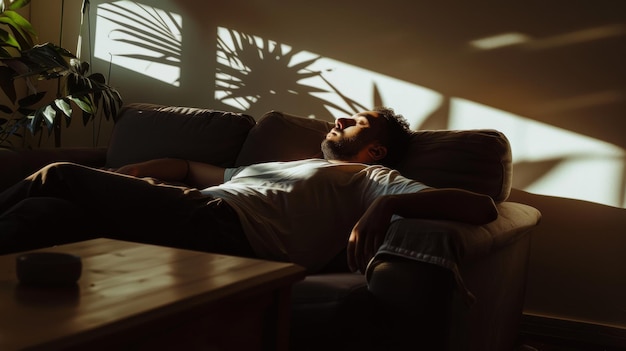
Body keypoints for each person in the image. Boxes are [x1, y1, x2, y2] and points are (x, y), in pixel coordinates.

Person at [0, 107, 498, 274]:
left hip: (229, 232)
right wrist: (146, 168)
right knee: (44, 213)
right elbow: (200, 170)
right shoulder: (281, 167)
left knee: (58, 174)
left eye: (356, 123)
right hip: (200, 211)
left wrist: (388, 204)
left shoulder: (370, 179)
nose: (339, 119)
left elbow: (482, 206)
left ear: (376, 152)